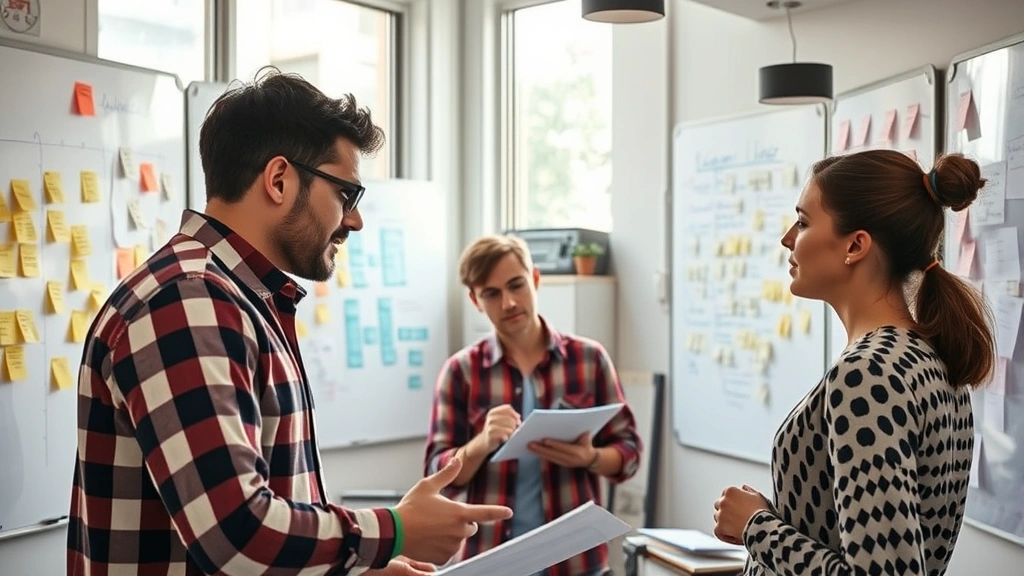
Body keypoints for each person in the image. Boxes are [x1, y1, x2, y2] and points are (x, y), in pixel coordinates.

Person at [67, 69, 512, 576]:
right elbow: (237, 536)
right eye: (346, 195)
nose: (355, 220)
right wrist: (395, 530)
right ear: (279, 180)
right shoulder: (189, 300)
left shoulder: (235, 298)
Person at [713, 149, 995, 575]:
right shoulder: (929, 359)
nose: (787, 238)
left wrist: (756, 527)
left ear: (855, 245)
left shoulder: (869, 373)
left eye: (803, 222)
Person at [424, 234, 643, 576]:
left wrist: (590, 457)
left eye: (517, 285)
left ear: (536, 279)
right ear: (475, 300)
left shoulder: (589, 359)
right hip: (492, 561)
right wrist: (481, 443)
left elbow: (629, 453)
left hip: (577, 561)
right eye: (492, 293)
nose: (509, 303)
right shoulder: (461, 371)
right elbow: (437, 477)